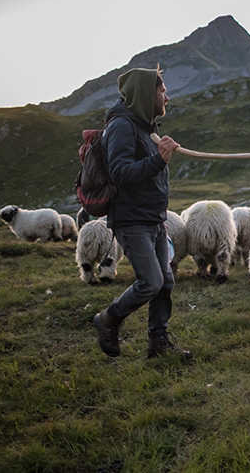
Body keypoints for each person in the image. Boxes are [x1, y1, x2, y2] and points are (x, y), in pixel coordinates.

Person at [93, 66, 191, 359]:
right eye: (162, 91)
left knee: (165, 282)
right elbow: (120, 171)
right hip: (132, 219)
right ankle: (109, 317)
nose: (167, 97)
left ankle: (158, 344)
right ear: (147, 94)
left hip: (153, 218)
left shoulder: (144, 126)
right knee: (151, 281)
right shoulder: (122, 125)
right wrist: (160, 161)